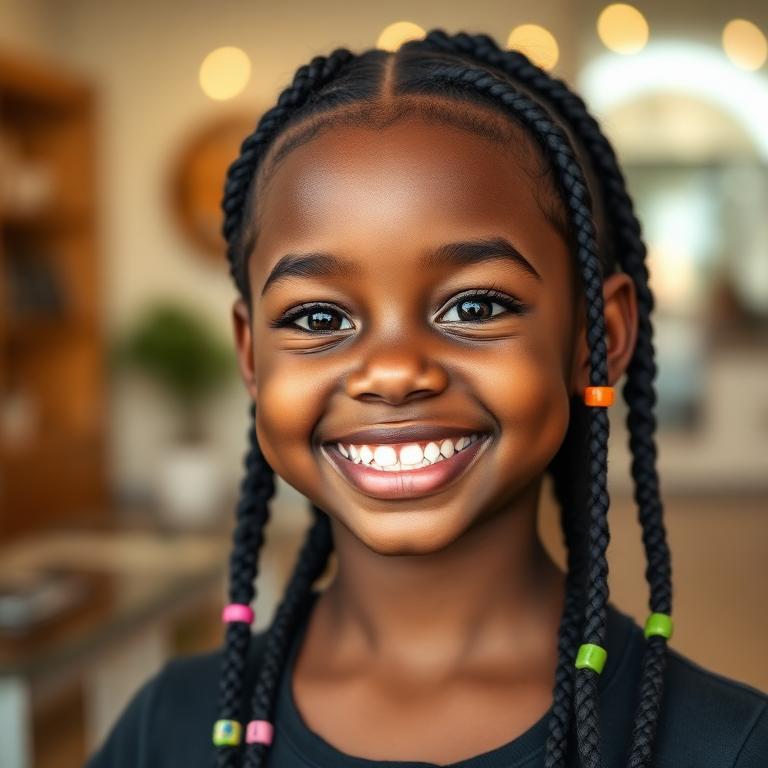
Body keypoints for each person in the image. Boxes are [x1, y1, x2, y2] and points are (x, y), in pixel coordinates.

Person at [85, 28, 768, 768]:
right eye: (319, 318)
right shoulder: (169, 728)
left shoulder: (724, 745)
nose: (393, 371)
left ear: (594, 336)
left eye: (473, 307)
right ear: (252, 355)